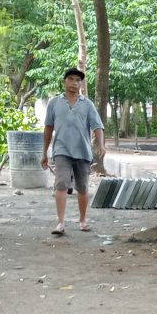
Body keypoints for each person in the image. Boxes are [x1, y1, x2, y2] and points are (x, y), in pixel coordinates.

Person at [41, 67, 105, 235]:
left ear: (81, 84)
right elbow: (48, 128)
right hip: (61, 150)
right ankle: (60, 223)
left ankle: (82, 220)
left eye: (78, 80)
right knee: (61, 183)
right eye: (71, 79)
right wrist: (44, 153)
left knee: (82, 187)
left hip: (83, 152)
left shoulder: (87, 104)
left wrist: (101, 145)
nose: (75, 83)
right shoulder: (54, 103)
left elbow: (97, 126)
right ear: (65, 81)